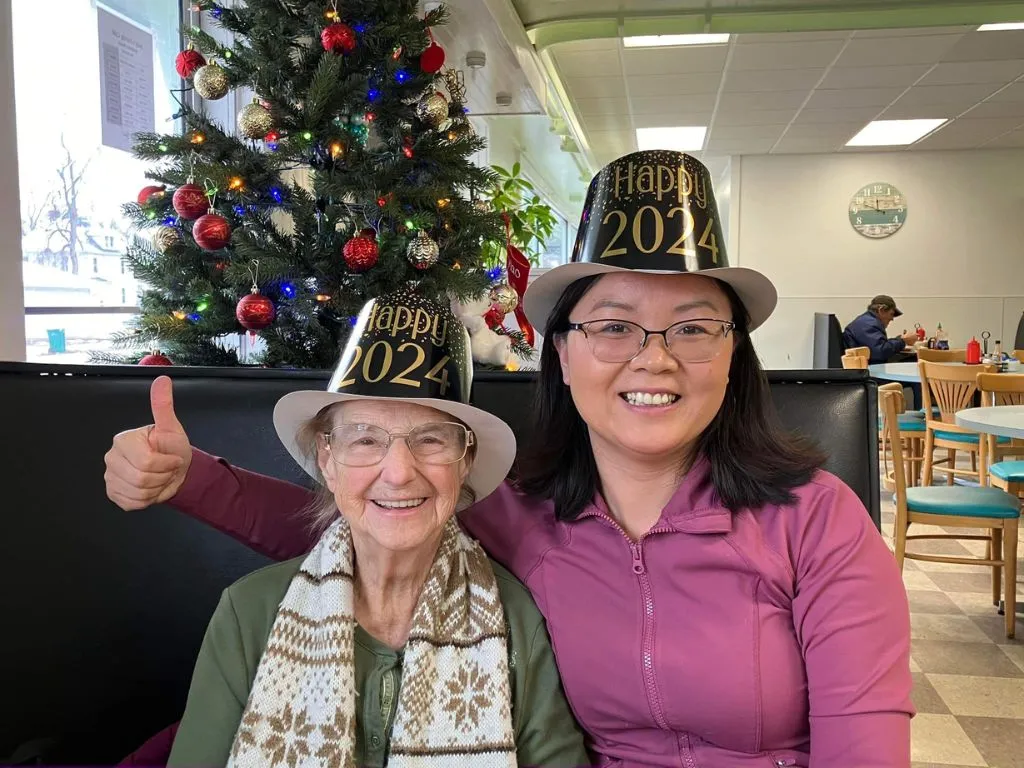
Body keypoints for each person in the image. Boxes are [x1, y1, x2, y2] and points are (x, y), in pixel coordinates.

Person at [107, 151, 913, 767]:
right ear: (562, 353)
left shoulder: (817, 522)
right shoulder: (521, 515)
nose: (654, 359)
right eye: (614, 324)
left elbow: (866, 746)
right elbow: (372, 523)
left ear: (734, 354)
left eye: (695, 326)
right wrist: (192, 479)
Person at [110, 291, 587, 767]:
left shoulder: (514, 617)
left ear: (465, 462)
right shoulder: (248, 614)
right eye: (363, 440)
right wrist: (190, 477)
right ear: (327, 461)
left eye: (430, 439)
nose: (399, 473)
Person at [843, 295, 918, 363]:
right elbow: (880, 351)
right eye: (891, 314)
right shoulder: (868, 324)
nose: (892, 319)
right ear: (881, 310)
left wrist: (899, 340)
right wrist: (903, 341)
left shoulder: (865, 321)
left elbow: (878, 345)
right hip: (866, 370)